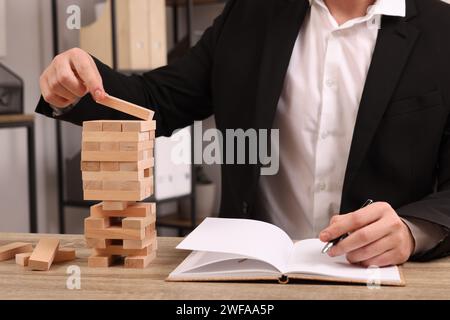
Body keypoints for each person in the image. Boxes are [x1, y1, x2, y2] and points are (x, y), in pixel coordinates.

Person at [36, 0, 450, 266]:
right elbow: (157, 99)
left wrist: (413, 231)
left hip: (384, 279)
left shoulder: (442, 31)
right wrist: (77, 85)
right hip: (249, 279)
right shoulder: (250, 13)